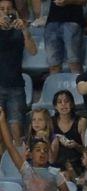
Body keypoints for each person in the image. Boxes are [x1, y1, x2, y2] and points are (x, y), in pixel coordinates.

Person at [0, 0, 37, 145]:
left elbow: (33, 51)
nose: (5, 11)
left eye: (9, 8)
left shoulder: (18, 29)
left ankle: (16, 165)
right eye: (1, 8)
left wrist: (25, 31)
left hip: (16, 86)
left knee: (17, 131)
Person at [50, 90, 87, 180]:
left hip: (76, 165)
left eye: (66, 101)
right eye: (59, 102)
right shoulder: (50, 122)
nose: (63, 104)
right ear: (55, 106)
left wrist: (76, 146)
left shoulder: (81, 122)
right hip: (56, 165)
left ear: (72, 104)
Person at [44, 0, 84, 74]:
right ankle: (54, 85)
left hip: (73, 20)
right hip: (52, 21)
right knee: (53, 64)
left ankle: (79, 85)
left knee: (74, 62)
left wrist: (68, 1)